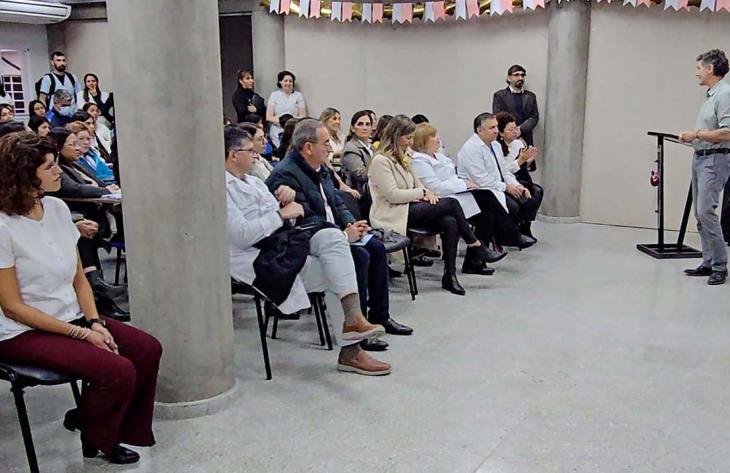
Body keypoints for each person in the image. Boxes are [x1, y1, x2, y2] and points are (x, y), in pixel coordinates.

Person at [0, 131, 161, 464]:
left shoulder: (58, 209)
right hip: (21, 331)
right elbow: (13, 308)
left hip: (69, 315)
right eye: (49, 166)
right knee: (117, 370)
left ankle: (95, 422)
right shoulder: (3, 226)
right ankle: (100, 435)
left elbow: (78, 278)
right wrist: (82, 334)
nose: (58, 170)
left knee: (147, 349)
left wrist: (95, 322)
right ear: (24, 175)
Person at [224, 126, 391, 374]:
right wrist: (281, 213)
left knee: (334, 238)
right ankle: (351, 350)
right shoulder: (222, 189)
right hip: (257, 257)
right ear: (233, 155)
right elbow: (242, 235)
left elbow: (295, 213)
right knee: (339, 271)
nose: (256, 155)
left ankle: (354, 319)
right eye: (251, 150)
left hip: (283, 242)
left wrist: (284, 200)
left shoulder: (254, 182)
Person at [267, 119, 413, 349]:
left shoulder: (321, 167)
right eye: (325, 143)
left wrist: (351, 223)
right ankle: (356, 325)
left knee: (375, 247)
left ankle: (380, 316)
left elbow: (337, 202)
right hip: (309, 241)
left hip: (335, 232)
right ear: (308, 147)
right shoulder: (285, 174)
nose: (330, 148)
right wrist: (344, 233)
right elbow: (304, 219)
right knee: (360, 256)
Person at [368, 115, 495, 296]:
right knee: (452, 203)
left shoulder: (405, 155)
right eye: (408, 138)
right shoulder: (380, 161)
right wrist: (422, 193)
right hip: (394, 212)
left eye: (412, 138)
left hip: (411, 205)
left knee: (450, 221)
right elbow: (393, 195)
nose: (411, 142)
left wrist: (426, 192)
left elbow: (417, 181)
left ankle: (450, 275)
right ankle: (475, 244)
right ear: (395, 136)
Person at [47, 127, 127, 320]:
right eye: (73, 144)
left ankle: (98, 290)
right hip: (83, 218)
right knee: (83, 236)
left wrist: (107, 187)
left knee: (86, 232)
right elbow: (73, 189)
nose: (79, 148)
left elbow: (97, 181)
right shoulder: (57, 182)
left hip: (91, 217)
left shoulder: (78, 164)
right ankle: (98, 292)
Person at [411, 123, 507, 271]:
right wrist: (463, 184)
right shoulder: (419, 160)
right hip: (439, 199)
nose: (438, 139)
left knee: (486, 212)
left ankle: (475, 261)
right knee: (483, 199)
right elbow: (436, 187)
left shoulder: (439, 156)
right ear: (423, 140)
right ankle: (504, 234)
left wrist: (462, 184)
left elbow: (451, 178)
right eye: (433, 136)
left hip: (454, 193)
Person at [679, 49, 730, 285]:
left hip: (714, 159)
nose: (696, 73)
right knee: (700, 214)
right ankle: (708, 261)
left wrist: (696, 134)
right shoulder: (711, 95)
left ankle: (720, 266)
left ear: (711, 69)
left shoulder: (725, 94)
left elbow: (727, 132)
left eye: (699, 68)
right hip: (700, 157)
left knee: (706, 211)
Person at [458, 113, 538, 249]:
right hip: (476, 191)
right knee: (511, 207)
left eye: (496, 127)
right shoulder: (471, 148)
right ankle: (509, 236)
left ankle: (514, 234)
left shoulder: (495, 145)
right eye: (491, 128)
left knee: (528, 198)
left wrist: (516, 185)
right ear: (479, 130)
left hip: (495, 187)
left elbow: (504, 171)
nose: (496, 131)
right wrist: (506, 187)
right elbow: (481, 180)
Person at [496, 112, 543, 238]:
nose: (515, 132)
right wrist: (520, 161)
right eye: (510, 129)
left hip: (520, 178)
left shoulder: (519, 144)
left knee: (538, 191)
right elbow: (503, 171)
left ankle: (526, 225)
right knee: (524, 196)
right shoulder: (497, 147)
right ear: (501, 133)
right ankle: (516, 227)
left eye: (516, 128)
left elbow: (522, 168)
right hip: (505, 181)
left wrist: (527, 161)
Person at [492, 64, 539, 151]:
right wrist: (514, 134)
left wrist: (520, 130)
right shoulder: (499, 95)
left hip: (526, 138)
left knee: (527, 159)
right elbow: (499, 117)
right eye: (516, 75)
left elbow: (534, 117)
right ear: (509, 78)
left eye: (522, 75)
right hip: (506, 140)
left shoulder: (531, 96)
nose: (520, 78)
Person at [266, 70, 306, 148]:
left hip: (294, 129)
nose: (288, 83)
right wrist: (282, 121)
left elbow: (303, 116)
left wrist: (290, 122)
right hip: (277, 130)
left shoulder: (298, 96)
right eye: (286, 81)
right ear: (280, 82)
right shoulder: (274, 95)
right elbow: (269, 117)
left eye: (290, 81)